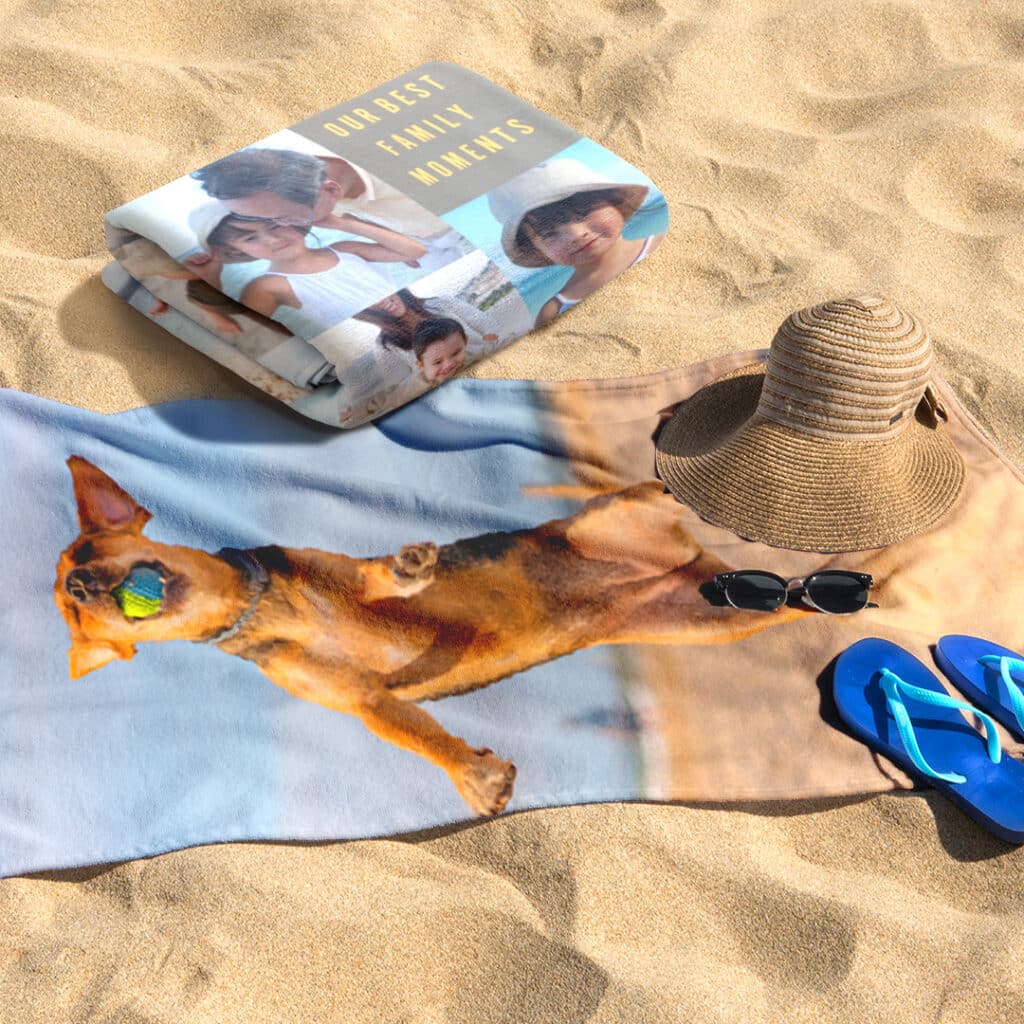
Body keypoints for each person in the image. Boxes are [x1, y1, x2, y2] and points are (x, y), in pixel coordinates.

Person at [191, 148, 465, 274]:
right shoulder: (312, 201)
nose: (282, 229)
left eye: (282, 219)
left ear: (330, 191)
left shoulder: (395, 167)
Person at [486, 158, 664, 327]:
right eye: (549, 233)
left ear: (614, 201)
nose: (576, 235)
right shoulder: (552, 312)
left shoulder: (661, 245)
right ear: (537, 250)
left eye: (583, 213)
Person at [191, 207, 426, 327]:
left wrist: (340, 223)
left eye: (275, 226)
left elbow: (415, 251)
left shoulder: (343, 249)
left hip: (416, 316)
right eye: (250, 238)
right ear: (234, 250)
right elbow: (243, 331)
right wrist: (212, 280)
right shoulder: (267, 286)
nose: (274, 240)